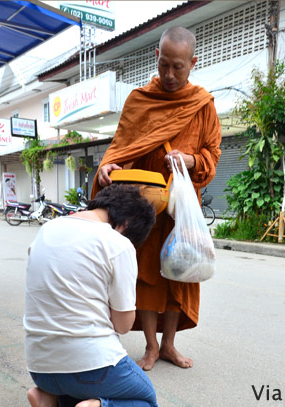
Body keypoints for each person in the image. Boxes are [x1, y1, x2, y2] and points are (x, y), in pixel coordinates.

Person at [91, 25, 221, 371]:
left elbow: (212, 156)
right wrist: (106, 168)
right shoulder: (139, 100)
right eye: (164, 64)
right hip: (146, 206)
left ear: (193, 62)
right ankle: (150, 347)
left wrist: (190, 160)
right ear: (157, 57)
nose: (169, 74)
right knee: (147, 277)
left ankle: (169, 346)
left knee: (180, 274)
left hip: (180, 210)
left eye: (178, 66)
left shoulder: (202, 104)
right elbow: (120, 150)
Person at [24, 184, 157, 407]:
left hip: (39, 367)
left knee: (67, 379)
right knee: (146, 399)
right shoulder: (117, 244)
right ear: (126, 224)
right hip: (91, 367)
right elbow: (122, 325)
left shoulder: (47, 229)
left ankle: (50, 401)